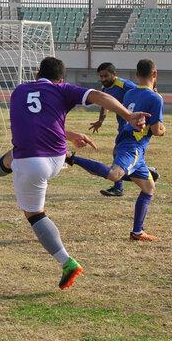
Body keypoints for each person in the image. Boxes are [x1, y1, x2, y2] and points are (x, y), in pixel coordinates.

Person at [0, 57, 148, 290]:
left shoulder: (19, 91)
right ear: (61, 80)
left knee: (34, 214)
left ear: (37, 73)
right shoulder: (63, 90)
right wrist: (128, 115)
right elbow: (100, 97)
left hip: (32, 162)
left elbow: (35, 122)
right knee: (10, 158)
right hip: (57, 157)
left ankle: (67, 262)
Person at [67, 59, 165, 242]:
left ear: (136, 75)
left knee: (149, 188)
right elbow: (156, 131)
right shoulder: (156, 98)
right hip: (134, 145)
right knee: (114, 174)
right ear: (155, 74)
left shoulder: (130, 92)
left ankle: (137, 232)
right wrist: (163, 129)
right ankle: (71, 158)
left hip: (125, 139)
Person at [88, 62, 137, 197]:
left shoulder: (126, 85)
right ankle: (148, 173)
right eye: (101, 76)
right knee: (126, 155)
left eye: (106, 76)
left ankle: (118, 187)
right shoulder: (106, 88)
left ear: (114, 74)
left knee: (118, 153)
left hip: (132, 127)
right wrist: (100, 121)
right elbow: (105, 104)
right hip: (122, 127)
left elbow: (141, 95)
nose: (103, 79)